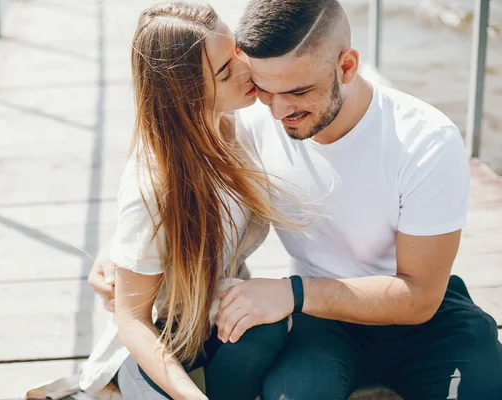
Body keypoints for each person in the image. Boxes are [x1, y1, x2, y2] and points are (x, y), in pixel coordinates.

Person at [91, 0, 502, 399]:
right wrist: (121, 250)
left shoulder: (425, 139)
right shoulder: (251, 120)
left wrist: (293, 292)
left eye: (298, 92)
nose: (279, 110)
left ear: (347, 66)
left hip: (422, 315)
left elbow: (419, 297)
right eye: (265, 88)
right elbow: (167, 175)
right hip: (324, 322)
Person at [80, 2, 307, 400]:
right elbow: (133, 320)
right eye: (224, 71)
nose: (245, 69)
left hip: (215, 312)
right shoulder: (151, 187)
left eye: (236, 50)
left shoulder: (233, 123)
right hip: (162, 337)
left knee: (267, 328)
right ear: (186, 94)